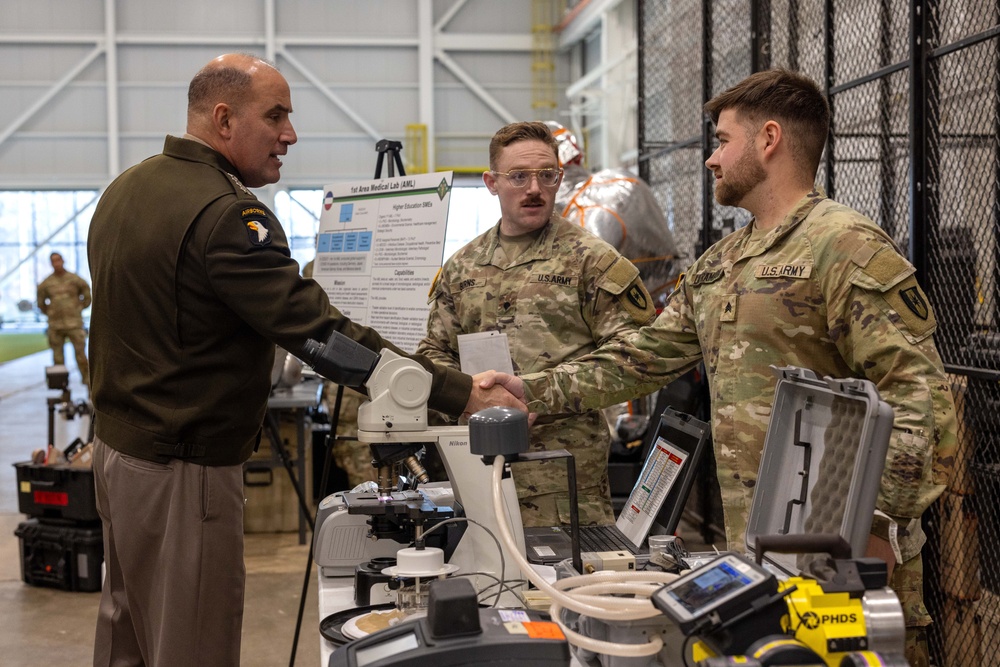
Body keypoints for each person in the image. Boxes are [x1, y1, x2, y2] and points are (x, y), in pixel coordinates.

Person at [491, 70, 956, 666]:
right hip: (759, 546)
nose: (711, 158)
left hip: (843, 557)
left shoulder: (844, 248)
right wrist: (529, 388)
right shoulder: (723, 262)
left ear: (767, 139)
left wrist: (876, 517)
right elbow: (641, 356)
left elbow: (922, 396)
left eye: (722, 139)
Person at [86, 53, 524, 667]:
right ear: (223, 118)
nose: (290, 134)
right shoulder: (226, 215)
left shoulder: (125, 190)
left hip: (119, 454)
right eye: (276, 116)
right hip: (182, 468)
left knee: (128, 631)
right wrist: (457, 393)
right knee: (191, 643)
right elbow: (318, 333)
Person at [414, 121, 658, 527]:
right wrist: (467, 398)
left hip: (564, 483)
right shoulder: (463, 267)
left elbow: (636, 359)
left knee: (568, 588)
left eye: (547, 175)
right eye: (519, 176)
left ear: (559, 178)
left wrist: (539, 394)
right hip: (478, 471)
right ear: (492, 183)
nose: (534, 188)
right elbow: (433, 352)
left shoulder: (591, 261)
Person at [36, 251, 92, 386]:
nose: (56, 263)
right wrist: (51, 313)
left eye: (58, 260)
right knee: (58, 360)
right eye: (53, 261)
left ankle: (89, 386)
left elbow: (87, 295)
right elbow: (41, 303)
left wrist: (78, 308)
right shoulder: (46, 283)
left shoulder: (74, 279)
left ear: (63, 261)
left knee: (81, 357)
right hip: (56, 326)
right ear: (51, 264)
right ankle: (62, 389)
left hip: (74, 324)